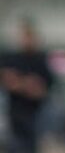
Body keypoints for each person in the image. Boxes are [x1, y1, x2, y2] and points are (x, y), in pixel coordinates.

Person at [0, 18, 54, 153]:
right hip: (15, 114)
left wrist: (20, 83)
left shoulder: (41, 60)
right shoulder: (11, 58)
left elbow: (41, 89)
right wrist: (26, 84)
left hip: (35, 116)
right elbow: (9, 81)